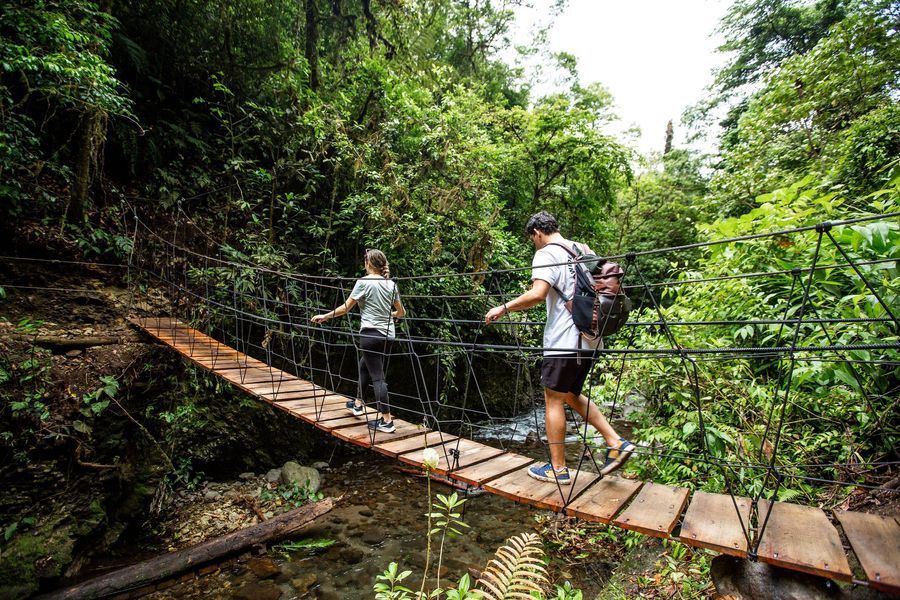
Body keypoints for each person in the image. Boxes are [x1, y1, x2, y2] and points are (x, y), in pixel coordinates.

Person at [484, 211, 635, 483]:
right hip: (590, 340)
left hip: (563, 341)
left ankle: (558, 469)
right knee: (569, 395)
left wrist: (503, 308)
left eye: (533, 240)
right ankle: (615, 441)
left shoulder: (546, 253)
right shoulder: (582, 249)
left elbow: (538, 294)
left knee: (553, 399)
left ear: (537, 234)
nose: (535, 244)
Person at [311, 249, 405, 433]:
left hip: (370, 335)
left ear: (368, 264)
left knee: (378, 377)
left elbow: (345, 308)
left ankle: (387, 421)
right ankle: (358, 404)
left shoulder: (363, 282)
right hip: (388, 336)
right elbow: (401, 313)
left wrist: (326, 316)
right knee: (365, 365)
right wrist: (389, 314)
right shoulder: (391, 285)